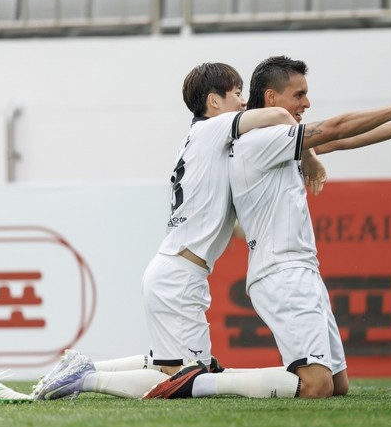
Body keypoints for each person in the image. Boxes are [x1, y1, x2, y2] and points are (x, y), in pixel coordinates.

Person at [143, 56, 391, 399]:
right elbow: (336, 128)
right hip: (281, 271)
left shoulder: (263, 139)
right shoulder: (255, 140)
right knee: (316, 386)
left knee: (337, 385)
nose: (306, 103)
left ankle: (198, 376)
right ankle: (201, 379)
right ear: (270, 97)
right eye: (298, 95)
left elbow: (340, 139)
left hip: (298, 268)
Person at [31, 62, 315, 400]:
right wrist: (307, 153)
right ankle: (84, 379)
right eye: (237, 93)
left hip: (174, 273)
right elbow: (279, 115)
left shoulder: (202, 140)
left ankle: (85, 368)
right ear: (214, 101)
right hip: (178, 278)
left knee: (179, 369)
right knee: (182, 381)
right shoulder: (213, 129)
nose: (243, 101)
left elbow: (229, 222)